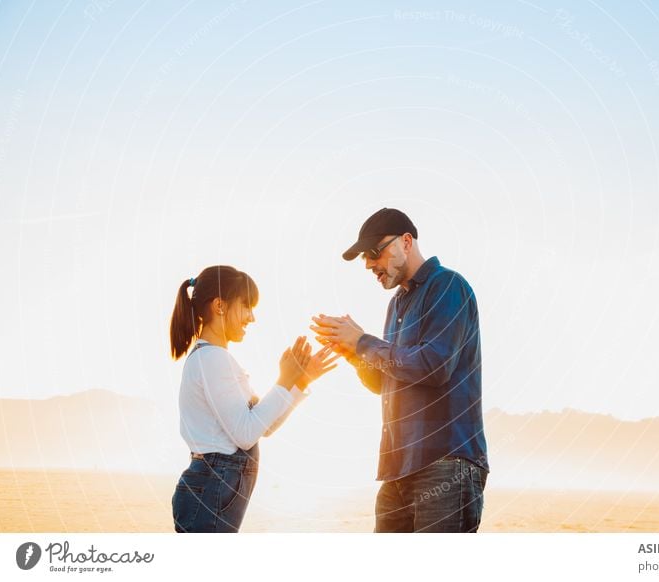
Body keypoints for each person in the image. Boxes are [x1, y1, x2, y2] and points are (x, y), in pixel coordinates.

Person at [311, 208, 489, 532]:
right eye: (365, 257)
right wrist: (353, 353)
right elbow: (385, 381)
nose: (368, 264)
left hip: (446, 464)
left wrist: (363, 341)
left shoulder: (448, 287)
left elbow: (434, 366)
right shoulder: (396, 304)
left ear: (406, 242)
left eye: (374, 253)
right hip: (397, 472)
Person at [169, 265, 339, 533]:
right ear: (219, 306)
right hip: (210, 492)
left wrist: (300, 381)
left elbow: (263, 427)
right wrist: (285, 379)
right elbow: (246, 434)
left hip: (211, 491)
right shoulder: (212, 359)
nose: (252, 317)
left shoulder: (214, 358)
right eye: (247, 306)